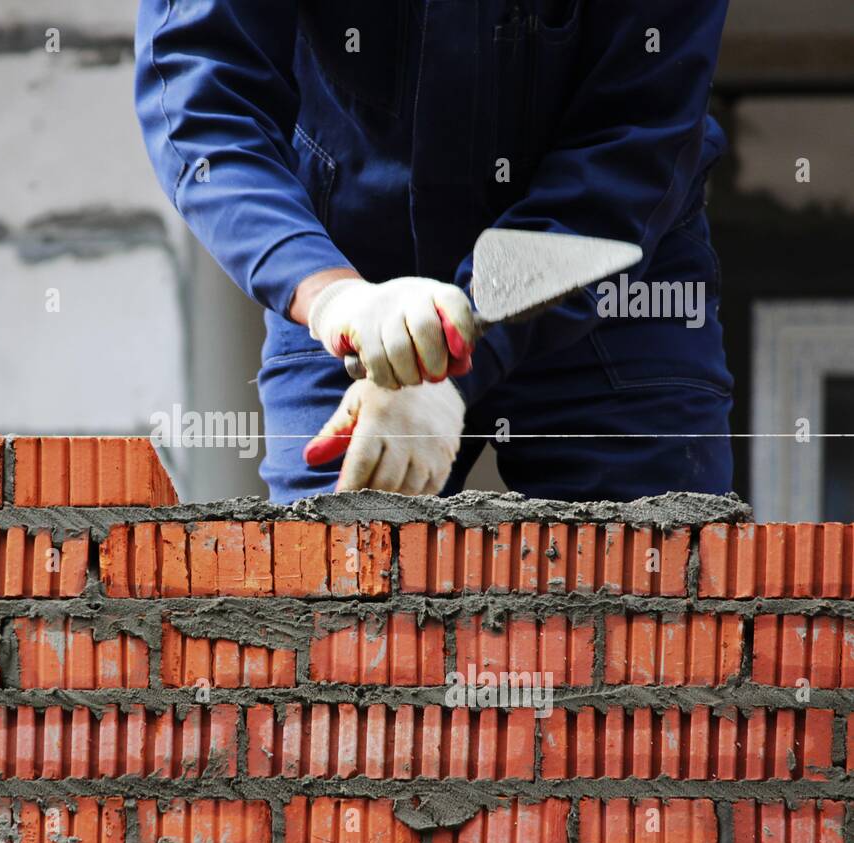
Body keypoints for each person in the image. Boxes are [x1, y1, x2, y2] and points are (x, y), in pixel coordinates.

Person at [134, 0, 734, 504]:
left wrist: (455, 342)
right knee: (334, 590)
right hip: (355, 286)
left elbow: (633, 143)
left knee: (645, 588)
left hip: (601, 287)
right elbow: (204, 95)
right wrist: (326, 292)